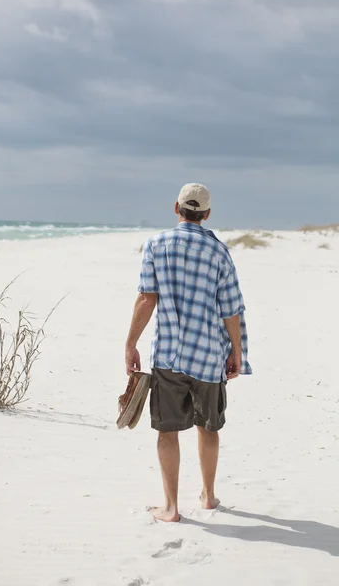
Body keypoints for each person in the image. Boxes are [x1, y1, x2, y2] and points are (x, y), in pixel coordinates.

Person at [125, 183, 252, 523]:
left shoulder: (155, 245)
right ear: (207, 214)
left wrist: (130, 343)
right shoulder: (219, 252)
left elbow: (146, 298)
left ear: (176, 207)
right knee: (208, 428)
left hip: (167, 354)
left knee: (168, 431)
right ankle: (208, 496)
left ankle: (171, 507)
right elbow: (230, 310)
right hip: (208, 355)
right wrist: (236, 352)